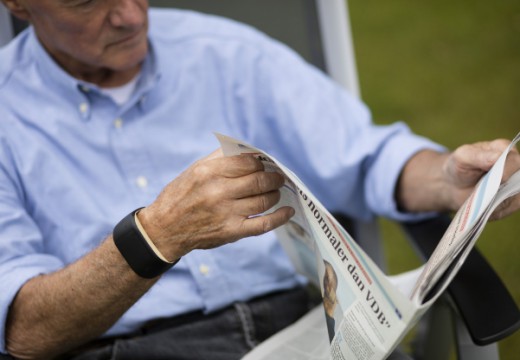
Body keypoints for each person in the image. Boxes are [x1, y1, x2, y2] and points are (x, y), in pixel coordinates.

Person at [0, 1, 518, 359]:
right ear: (18, 5)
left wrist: (447, 179)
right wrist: (155, 238)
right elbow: (24, 333)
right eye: (86, 2)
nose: (133, 16)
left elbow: (367, 156)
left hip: (303, 329)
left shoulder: (224, 52)